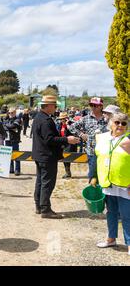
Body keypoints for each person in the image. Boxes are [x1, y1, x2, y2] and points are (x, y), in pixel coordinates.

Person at [32, 96, 80, 219]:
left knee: (41, 181)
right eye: (54, 105)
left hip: (40, 155)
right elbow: (49, 140)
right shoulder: (46, 120)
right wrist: (67, 139)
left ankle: (39, 205)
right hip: (47, 156)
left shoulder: (39, 117)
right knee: (47, 182)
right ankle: (45, 209)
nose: (56, 107)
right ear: (47, 106)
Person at [92, 113, 130, 255]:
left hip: (126, 185)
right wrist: (94, 176)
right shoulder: (103, 139)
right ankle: (111, 239)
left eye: (123, 123)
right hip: (108, 183)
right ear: (111, 123)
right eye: (117, 122)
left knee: (127, 215)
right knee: (111, 213)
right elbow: (98, 159)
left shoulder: (128, 140)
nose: (120, 125)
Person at [69, 97, 108, 183]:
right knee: (93, 175)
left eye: (95, 105)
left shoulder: (107, 119)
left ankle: (104, 194)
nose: (93, 107)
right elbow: (71, 127)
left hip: (106, 152)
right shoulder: (86, 118)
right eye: (91, 105)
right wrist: (81, 134)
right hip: (92, 151)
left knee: (105, 175)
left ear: (101, 106)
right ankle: (93, 195)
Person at [56, 112, 77, 179]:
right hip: (62, 143)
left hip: (69, 143)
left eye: (63, 119)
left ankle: (68, 173)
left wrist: (67, 125)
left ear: (66, 118)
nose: (62, 120)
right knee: (64, 158)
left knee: (67, 157)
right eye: (61, 119)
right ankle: (67, 172)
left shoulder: (70, 124)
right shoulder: (60, 125)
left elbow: (74, 132)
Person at [3, 107, 22, 176]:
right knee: (8, 155)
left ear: (15, 113)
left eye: (12, 112)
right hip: (7, 139)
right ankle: (11, 169)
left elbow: (13, 126)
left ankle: (17, 170)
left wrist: (7, 126)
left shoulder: (18, 119)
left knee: (16, 155)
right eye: (9, 112)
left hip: (15, 140)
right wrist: (9, 127)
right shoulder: (7, 119)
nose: (10, 114)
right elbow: (4, 126)